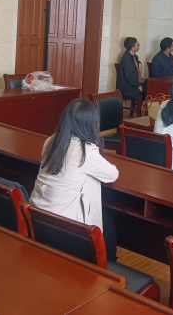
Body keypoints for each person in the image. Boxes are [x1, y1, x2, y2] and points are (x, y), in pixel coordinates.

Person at [29, 99, 119, 257]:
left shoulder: (51, 141)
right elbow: (112, 175)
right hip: (64, 223)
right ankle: (106, 263)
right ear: (91, 124)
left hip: (38, 214)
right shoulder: (85, 151)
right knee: (107, 219)